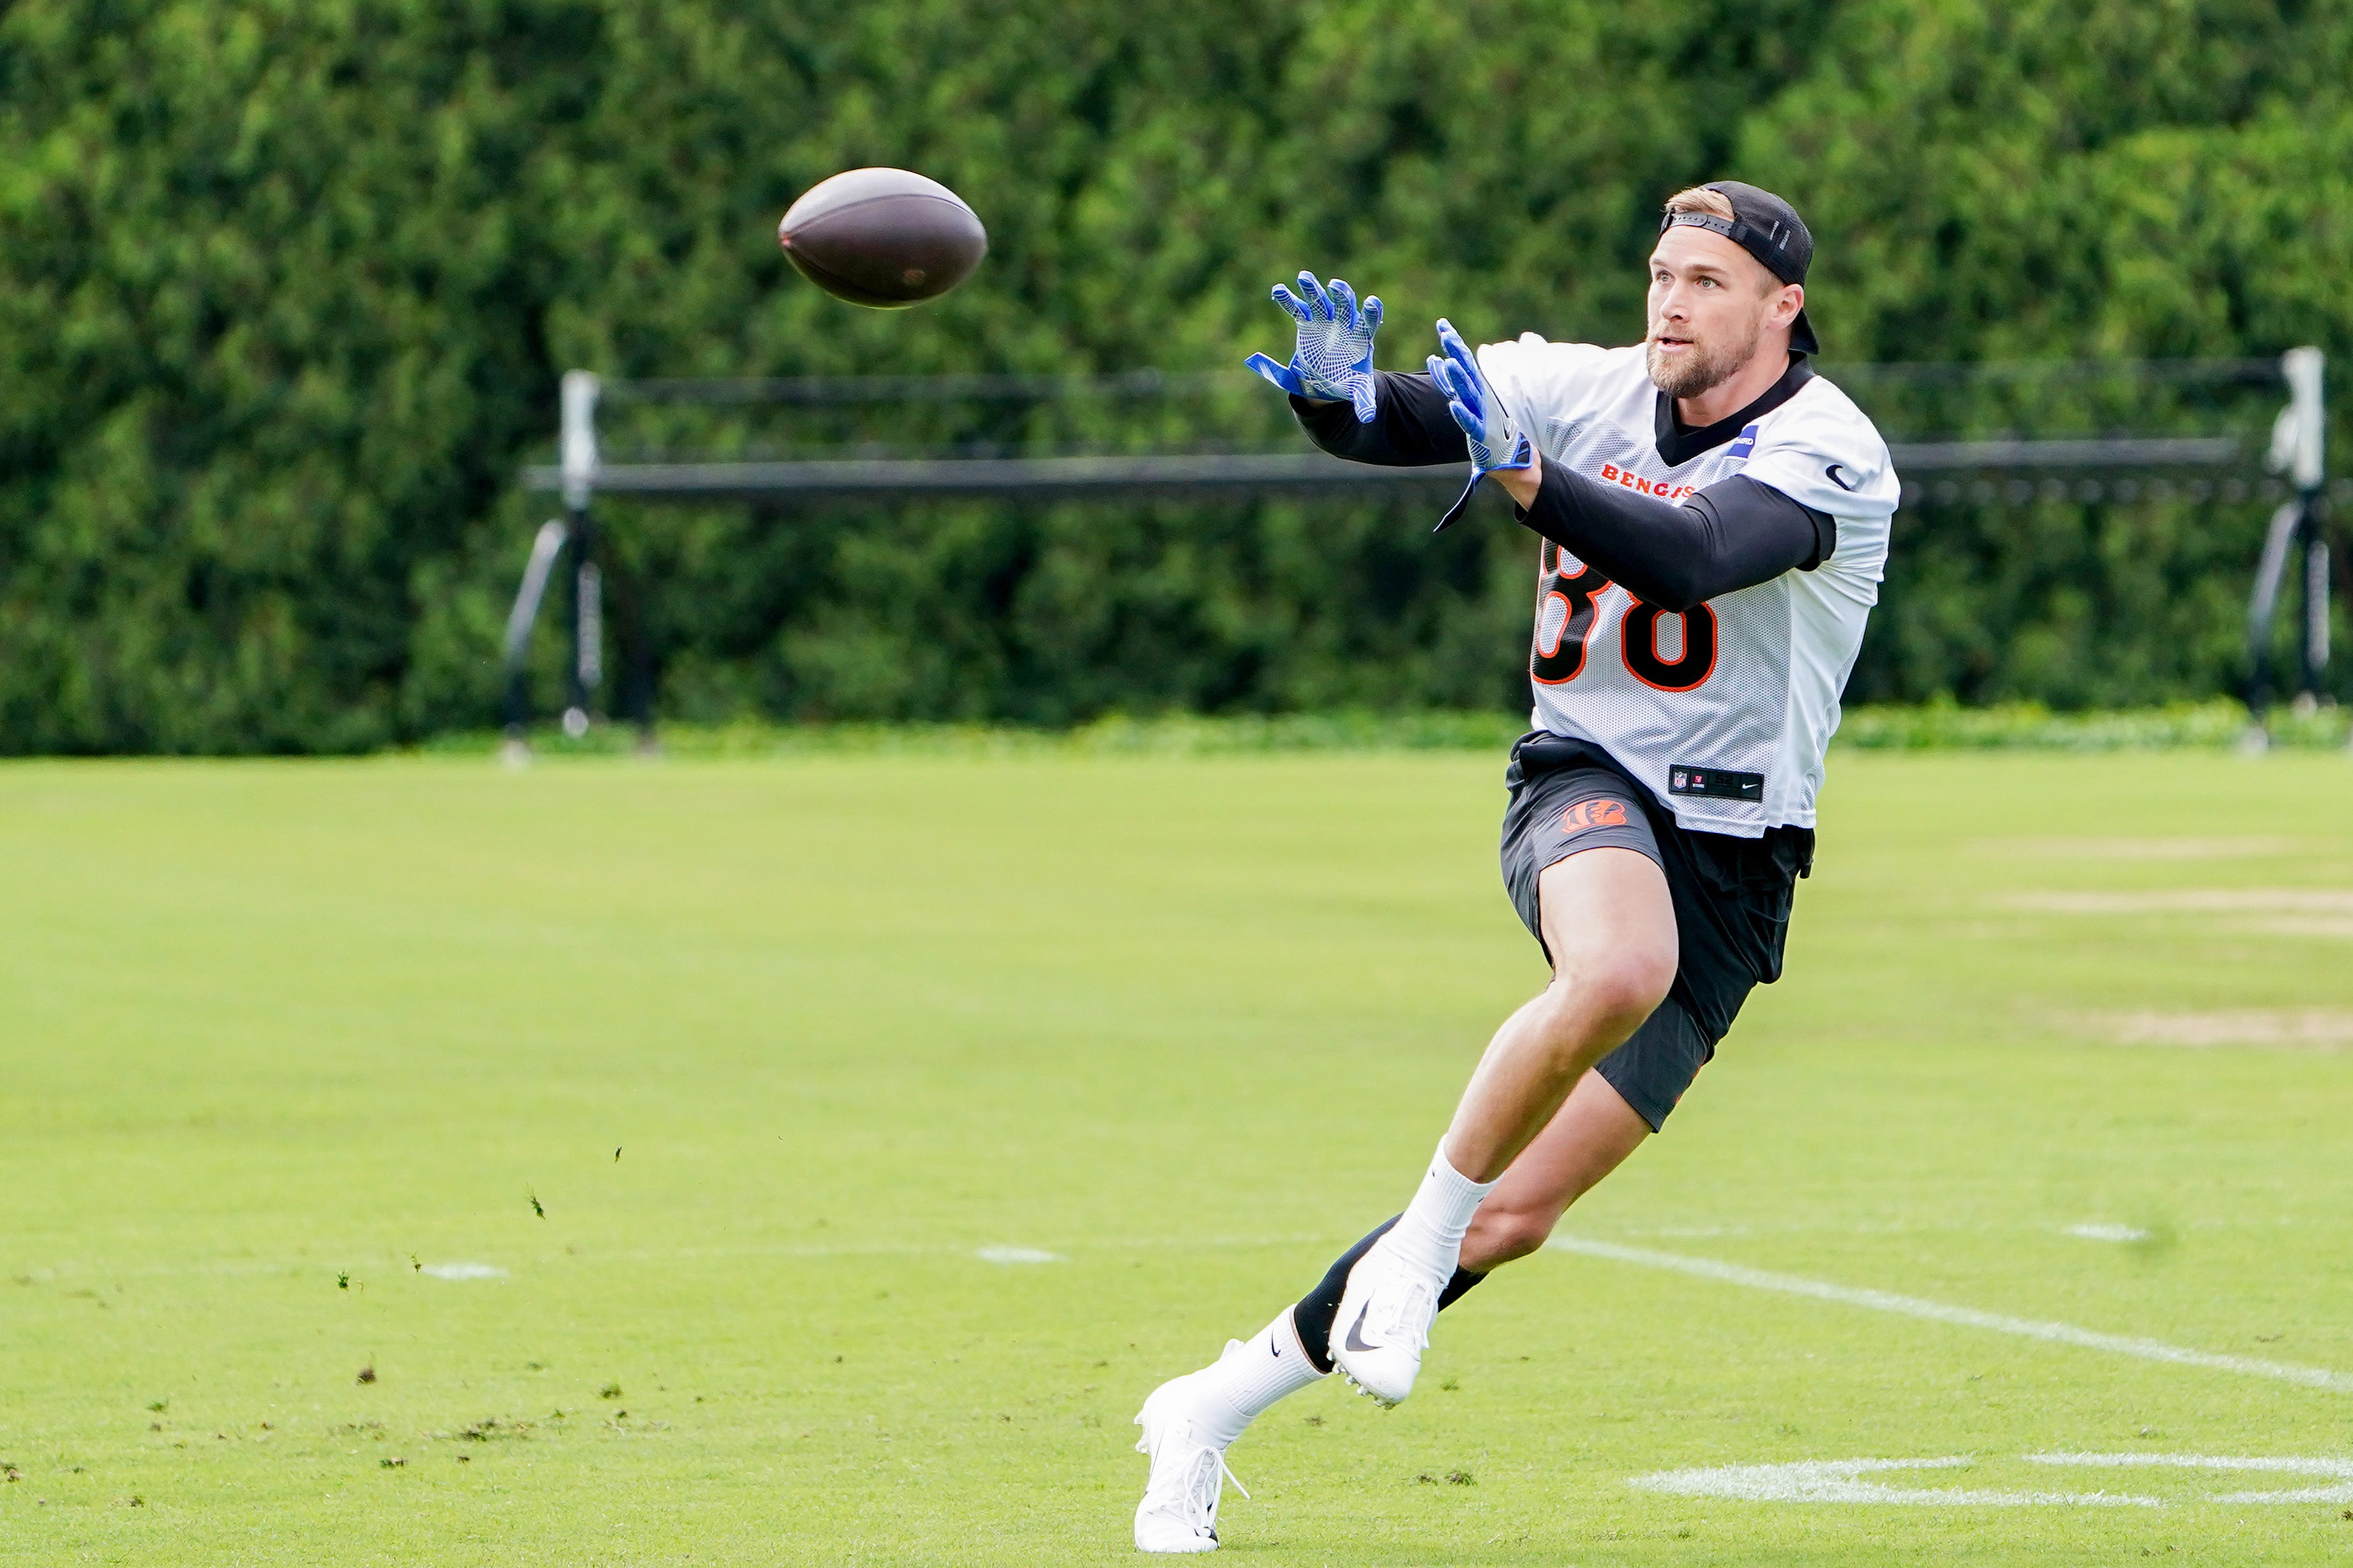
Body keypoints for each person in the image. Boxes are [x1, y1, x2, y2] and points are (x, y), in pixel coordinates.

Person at [1131, 181, 1900, 1554]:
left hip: (1735, 852)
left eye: (1708, 281)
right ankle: (1419, 1243)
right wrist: (1338, 398)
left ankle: (1206, 1403)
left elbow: (1697, 553)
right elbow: (1406, 419)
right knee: (1616, 964)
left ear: (1783, 307)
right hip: (1586, 775)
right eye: (1661, 271)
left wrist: (1537, 480)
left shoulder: (1831, 450)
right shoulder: (1576, 380)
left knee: (1525, 1211)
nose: (1670, 299)